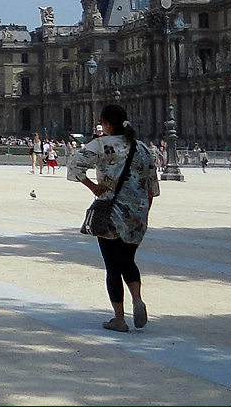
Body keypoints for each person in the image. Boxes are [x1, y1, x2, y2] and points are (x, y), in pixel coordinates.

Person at [68, 104, 159, 332]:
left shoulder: (100, 144)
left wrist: (93, 187)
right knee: (128, 260)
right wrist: (143, 210)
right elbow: (152, 187)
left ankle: (119, 319)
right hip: (137, 213)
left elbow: (74, 164)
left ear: (107, 124)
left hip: (111, 212)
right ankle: (137, 299)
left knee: (112, 266)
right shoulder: (142, 148)